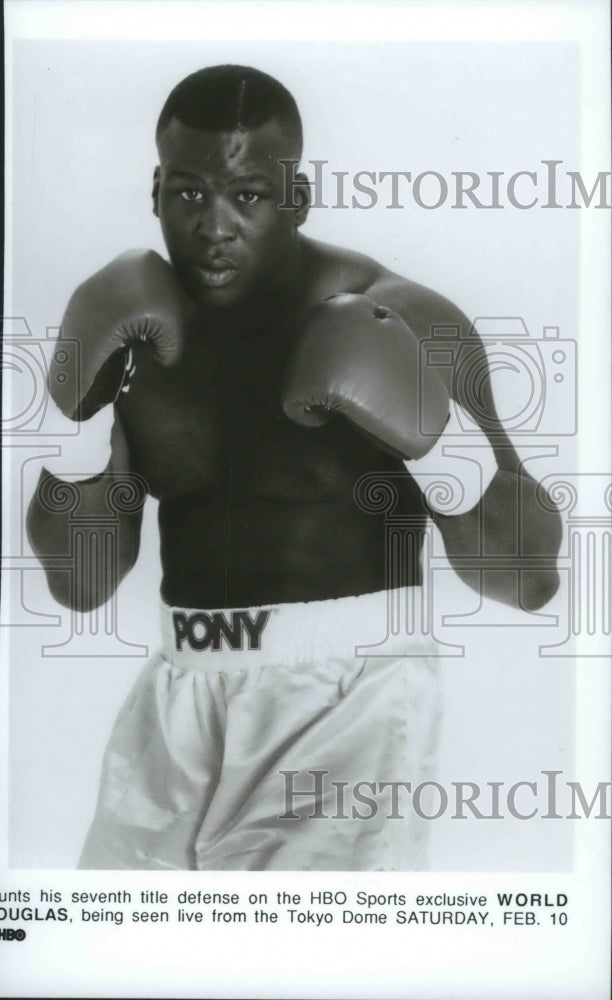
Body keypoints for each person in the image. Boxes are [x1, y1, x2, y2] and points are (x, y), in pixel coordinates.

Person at [26, 65, 562, 871]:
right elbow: (82, 584)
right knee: (115, 960)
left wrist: (435, 439)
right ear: (155, 192)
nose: (213, 226)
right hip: (177, 694)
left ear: (297, 198)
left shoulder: (404, 316)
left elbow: (527, 579)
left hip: (351, 706)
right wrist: (70, 413)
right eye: (188, 193)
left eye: (247, 195)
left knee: (302, 969)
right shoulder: (137, 331)